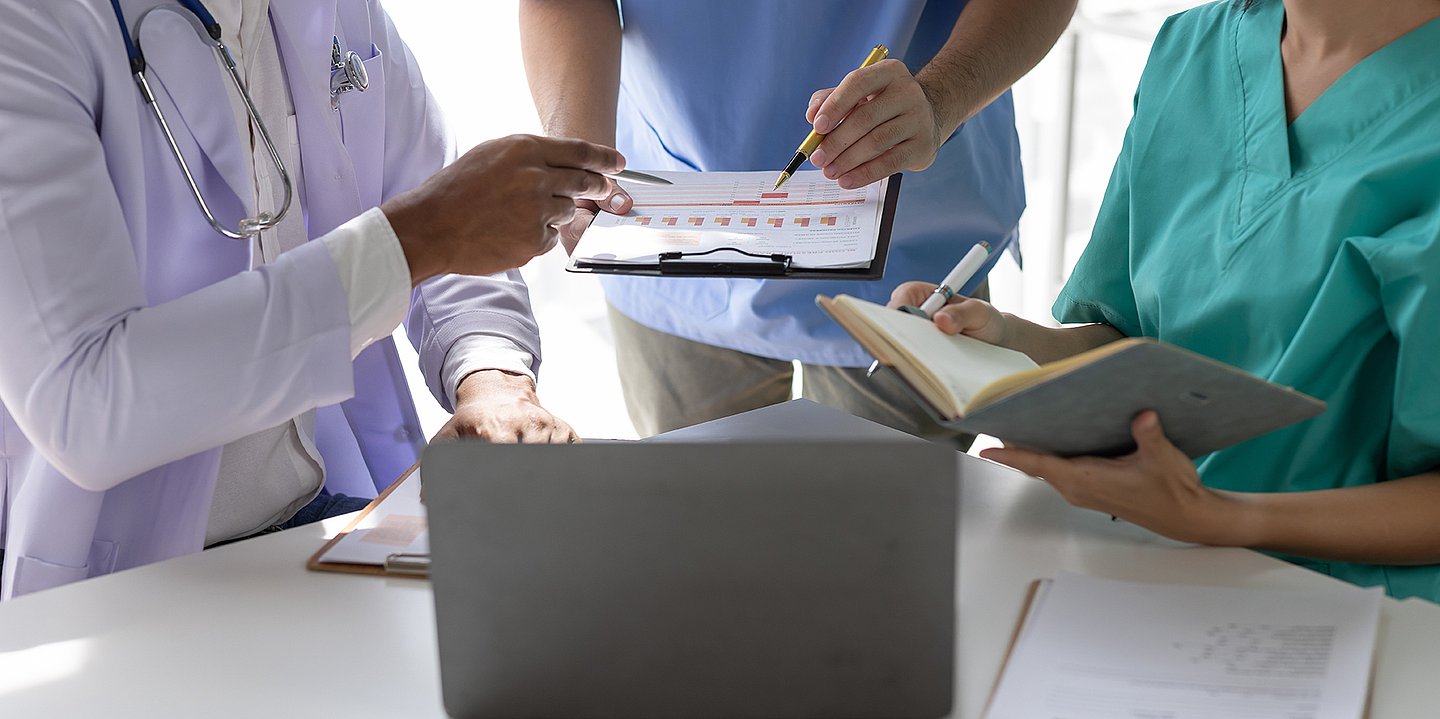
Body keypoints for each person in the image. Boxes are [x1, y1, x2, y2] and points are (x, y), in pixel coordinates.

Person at [0, 0, 624, 599]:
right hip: (114, 569)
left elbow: (452, 207)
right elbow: (84, 402)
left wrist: (493, 376)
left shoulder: (332, 11)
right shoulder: (26, 28)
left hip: (310, 517)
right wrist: (418, 239)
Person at [892, 0, 1440, 600]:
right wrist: (1009, 343)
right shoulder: (1195, 48)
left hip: (1359, 605)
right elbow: (1138, 344)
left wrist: (1219, 516)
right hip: (1140, 556)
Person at [519, 0, 1076, 444]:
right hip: (665, 221)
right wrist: (576, 153)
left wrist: (939, 98)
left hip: (907, 238)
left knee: (883, 544)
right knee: (699, 533)